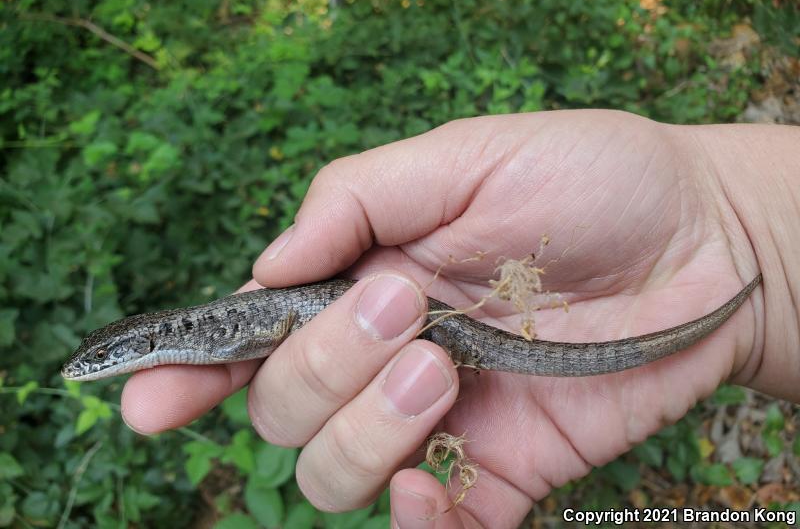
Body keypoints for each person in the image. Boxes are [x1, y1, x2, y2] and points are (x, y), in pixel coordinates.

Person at [120, 110, 798, 528]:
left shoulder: (198, 334)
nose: (104, 367)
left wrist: (737, 221)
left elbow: (262, 329)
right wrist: (742, 225)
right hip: (434, 324)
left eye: (105, 359)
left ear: (142, 344)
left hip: (438, 321)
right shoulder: (189, 337)